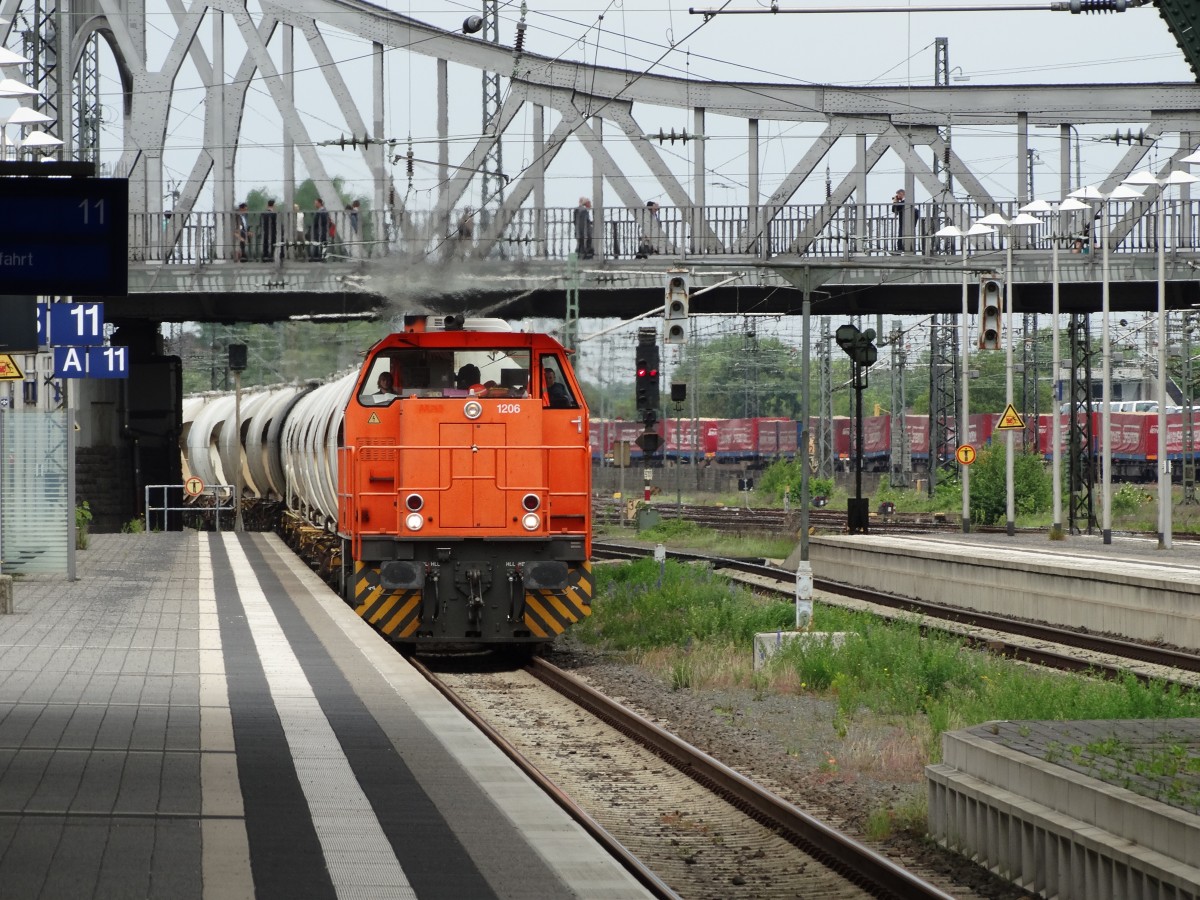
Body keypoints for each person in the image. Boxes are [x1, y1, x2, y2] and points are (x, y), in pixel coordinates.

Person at [891, 189, 918, 253]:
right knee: (903, 236)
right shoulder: (905, 202)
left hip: (904, 222)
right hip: (906, 222)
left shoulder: (905, 202)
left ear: (902, 194)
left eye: (898, 195)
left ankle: (900, 250)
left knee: (901, 236)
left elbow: (895, 209)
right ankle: (903, 249)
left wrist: (895, 202)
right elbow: (894, 210)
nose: (897, 196)